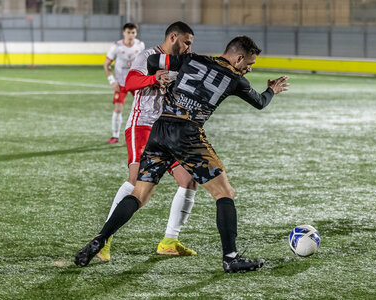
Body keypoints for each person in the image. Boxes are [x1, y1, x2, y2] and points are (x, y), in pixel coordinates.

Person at [75, 36, 289, 273]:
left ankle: (101, 238)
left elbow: (154, 60)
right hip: (187, 133)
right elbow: (260, 102)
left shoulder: (190, 58)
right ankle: (230, 257)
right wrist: (272, 89)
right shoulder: (236, 79)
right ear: (238, 58)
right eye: (249, 63)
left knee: (139, 194)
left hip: (160, 129)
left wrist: (159, 78)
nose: (249, 68)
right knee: (224, 193)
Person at [96, 22, 198, 263]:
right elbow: (130, 82)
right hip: (142, 125)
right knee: (135, 182)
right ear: (173, 37)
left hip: (167, 129)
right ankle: (104, 239)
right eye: (186, 42)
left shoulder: (181, 63)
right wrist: (153, 78)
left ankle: (169, 241)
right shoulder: (149, 55)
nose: (188, 48)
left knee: (188, 180)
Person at [104, 23, 145, 144]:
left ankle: (142, 136)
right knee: (117, 108)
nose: (131, 35)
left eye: (133, 33)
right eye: (128, 32)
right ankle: (115, 136)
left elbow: (144, 62)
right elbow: (106, 65)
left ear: (136, 33)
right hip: (121, 83)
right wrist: (112, 81)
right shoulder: (116, 46)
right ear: (124, 33)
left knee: (143, 109)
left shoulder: (140, 45)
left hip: (135, 83)